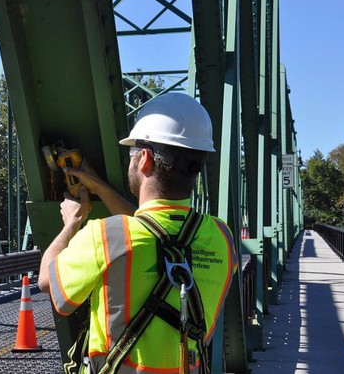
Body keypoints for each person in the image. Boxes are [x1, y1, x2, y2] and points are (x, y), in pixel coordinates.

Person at [39, 93, 237, 374]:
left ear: (144, 159)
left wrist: (71, 223)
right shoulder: (222, 238)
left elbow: (48, 281)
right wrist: (101, 188)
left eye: (132, 154)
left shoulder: (105, 236)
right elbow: (158, 234)